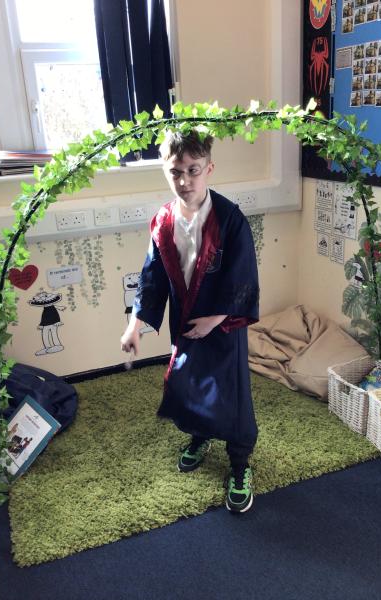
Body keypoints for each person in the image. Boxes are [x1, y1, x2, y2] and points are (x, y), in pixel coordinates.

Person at [120, 130, 259, 513]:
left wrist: (216, 319)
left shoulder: (229, 218)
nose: (184, 181)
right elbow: (151, 277)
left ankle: (240, 464)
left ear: (208, 169)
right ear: (166, 171)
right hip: (183, 320)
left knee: (231, 391)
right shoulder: (162, 221)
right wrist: (135, 325)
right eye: (176, 172)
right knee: (189, 382)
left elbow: (244, 275)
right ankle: (200, 435)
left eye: (193, 170)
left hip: (223, 324)